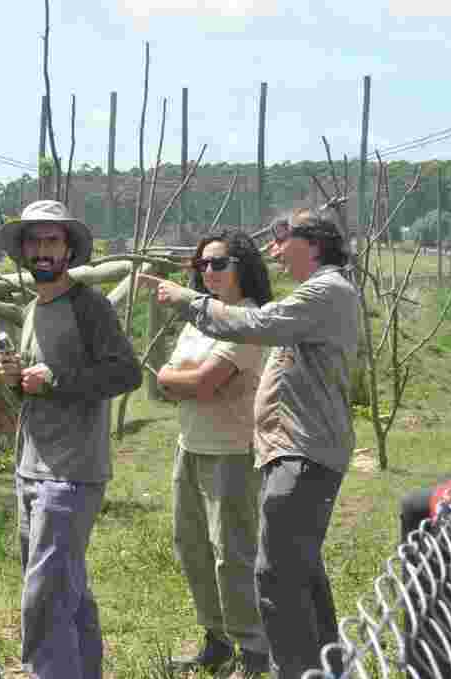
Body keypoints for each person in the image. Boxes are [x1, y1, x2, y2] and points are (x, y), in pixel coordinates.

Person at [138, 208, 358, 679]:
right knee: (296, 570)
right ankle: (323, 667)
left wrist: (183, 300)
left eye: (283, 240)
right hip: (288, 449)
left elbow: (210, 367)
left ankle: (287, 666)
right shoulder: (318, 293)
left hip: (300, 450)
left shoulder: (323, 291)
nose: (275, 250)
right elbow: (169, 381)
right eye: (201, 268)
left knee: (274, 572)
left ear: (314, 242)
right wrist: (179, 374)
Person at [0, 199, 142, 679]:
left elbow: (125, 373)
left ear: (68, 249)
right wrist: (17, 379)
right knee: (66, 590)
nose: (42, 249)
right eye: (34, 240)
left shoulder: (89, 307)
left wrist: (54, 380)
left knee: (45, 594)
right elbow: (33, 390)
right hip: (30, 467)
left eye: (51, 240)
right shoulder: (31, 310)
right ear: (23, 250)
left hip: (72, 472)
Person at [159, 231, 272, 678]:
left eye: (218, 263)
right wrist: (188, 380)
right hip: (189, 446)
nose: (208, 272)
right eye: (202, 265)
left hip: (232, 452)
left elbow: (202, 382)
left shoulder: (247, 320)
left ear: (242, 266)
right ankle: (217, 640)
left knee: (233, 556)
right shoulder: (199, 319)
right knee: (192, 548)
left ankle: (253, 650)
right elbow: (164, 379)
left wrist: (186, 380)